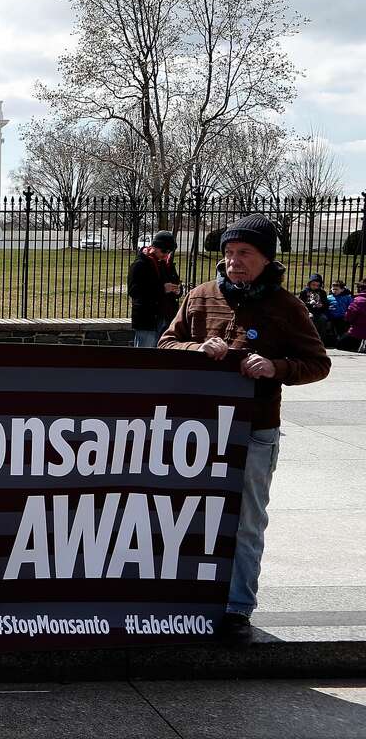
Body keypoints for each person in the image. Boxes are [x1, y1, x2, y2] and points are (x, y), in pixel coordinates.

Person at [159, 213, 330, 646]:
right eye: (230, 253)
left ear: (267, 258)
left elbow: (319, 363)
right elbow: (164, 344)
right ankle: (178, 600)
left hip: (255, 428)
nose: (234, 262)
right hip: (195, 431)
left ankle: (238, 607)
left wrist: (276, 367)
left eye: (245, 254)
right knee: (183, 515)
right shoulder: (200, 296)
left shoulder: (287, 306)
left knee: (247, 521)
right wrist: (198, 348)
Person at [127, 230, 182, 348]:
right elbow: (134, 291)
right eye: (164, 251)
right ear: (154, 247)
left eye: (169, 252)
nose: (166, 255)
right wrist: (162, 289)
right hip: (147, 319)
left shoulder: (168, 265)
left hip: (167, 317)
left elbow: (175, 283)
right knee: (145, 359)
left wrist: (178, 290)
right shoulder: (140, 264)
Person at [297, 273, 333, 345]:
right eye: (313, 285)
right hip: (308, 311)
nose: (315, 287)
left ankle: (321, 340)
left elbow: (326, 304)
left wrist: (321, 305)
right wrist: (308, 306)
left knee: (323, 319)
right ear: (309, 284)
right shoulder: (304, 292)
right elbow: (300, 303)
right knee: (310, 319)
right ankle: (308, 340)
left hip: (319, 312)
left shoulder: (322, 292)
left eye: (317, 285)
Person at [336, 279, 366, 353]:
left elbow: (348, 317)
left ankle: (360, 345)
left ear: (360, 289)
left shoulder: (358, 300)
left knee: (339, 344)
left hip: (358, 333)